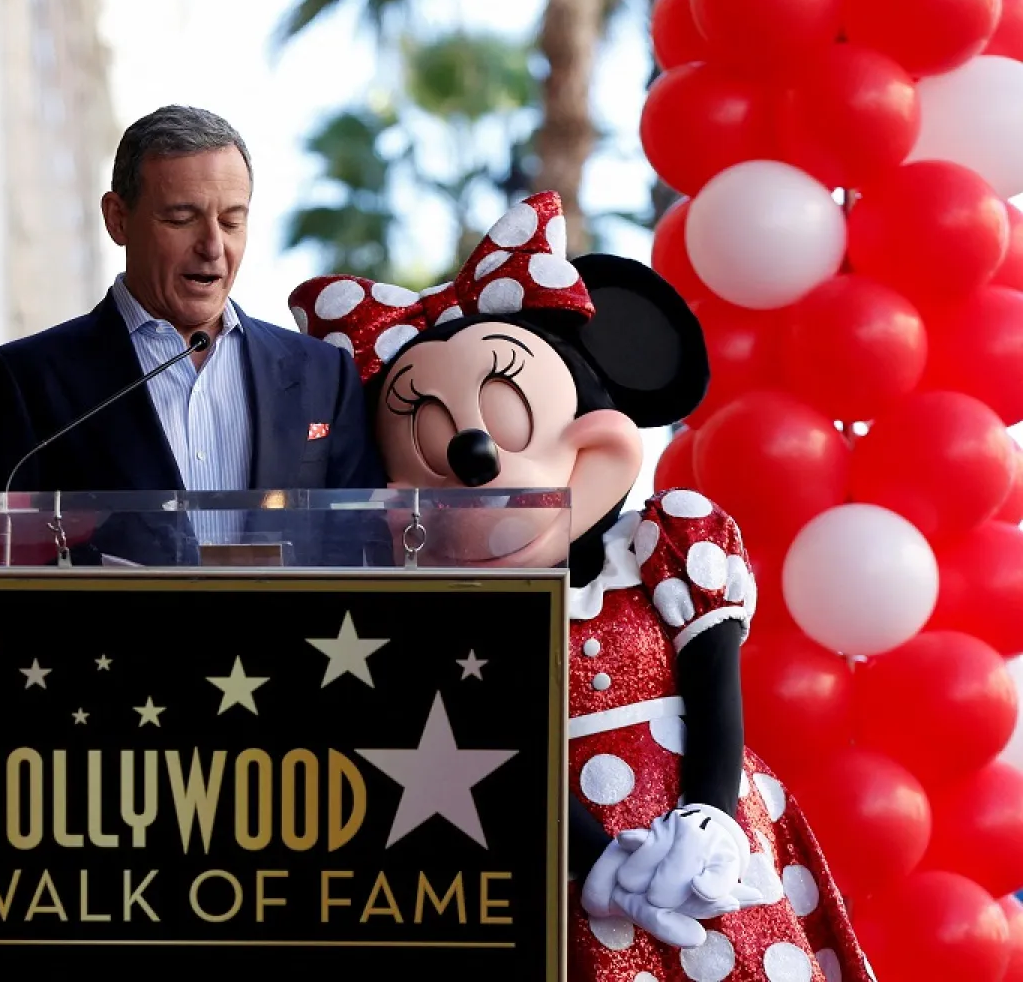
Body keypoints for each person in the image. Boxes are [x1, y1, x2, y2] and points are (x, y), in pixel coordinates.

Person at [287, 190, 874, 980]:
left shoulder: (665, 542)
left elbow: (715, 694)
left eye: (507, 413)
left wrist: (707, 813)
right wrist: (593, 862)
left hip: (719, 851)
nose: (475, 455)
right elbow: (491, 751)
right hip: (571, 883)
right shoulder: (450, 622)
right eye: (431, 435)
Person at [0, 105, 384, 563]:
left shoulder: (324, 375)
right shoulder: (26, 381)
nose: (212, 247)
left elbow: (359, 550)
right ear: (118, 219)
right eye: (182, 218)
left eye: (231, 221)